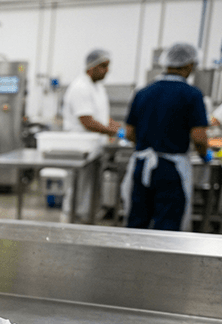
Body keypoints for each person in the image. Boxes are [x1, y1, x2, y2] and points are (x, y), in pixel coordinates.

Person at [121, 42, 210, 231]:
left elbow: (129, 133)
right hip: (171, 171)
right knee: (167, 227)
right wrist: (204, 155)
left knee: (137, 222)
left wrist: (147, 144)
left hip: (142, 164)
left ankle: (130, 260)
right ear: (189, 65)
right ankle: (162, 262)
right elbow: (200, 137)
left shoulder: (143, 92)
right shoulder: (192, 95)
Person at [61, 49, 121, 220]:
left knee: (89, 187)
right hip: (80, 147)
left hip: (93, 147)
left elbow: (101, 116)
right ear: (91, 67)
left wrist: (117, 126)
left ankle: (85, 217)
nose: (107, 70)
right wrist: (116, 132)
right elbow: (87, 121)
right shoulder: (81, 87)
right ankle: (72, 219)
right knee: (78, 186)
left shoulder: (97, 88)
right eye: (103, 66)